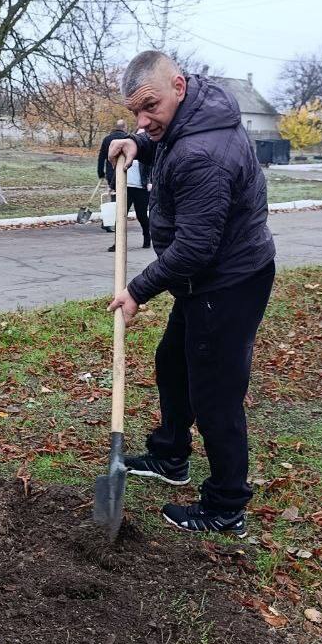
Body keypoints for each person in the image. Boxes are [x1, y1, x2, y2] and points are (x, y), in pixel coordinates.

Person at [106, 51, 276, 536]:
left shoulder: (203, 155)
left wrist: (138, 290)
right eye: (136, 111)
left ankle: (226, 505)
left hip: (226, 283)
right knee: (173, 363)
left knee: (215, 395)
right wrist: (142, 143)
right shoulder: (196, 112)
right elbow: (167, 135)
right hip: (208, 279)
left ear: (178, 87)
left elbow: (196, 248)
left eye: (150, 108)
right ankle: (170, 456)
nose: (143, 120)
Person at [109, 157, 151, 252]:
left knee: (142, 216)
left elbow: (151, 168)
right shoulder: (123, 155)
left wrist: (150, 182)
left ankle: (147, 237)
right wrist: (112, 186)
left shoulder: (143, 152)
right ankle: (118, 243)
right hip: (125, 189)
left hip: (141, 189)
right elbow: (117, 170)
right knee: (120, 216)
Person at [97, 120, 132, 232]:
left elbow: (101, 157)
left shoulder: (107, 139)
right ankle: (110, 222)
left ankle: (108, 221)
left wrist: (100, 172)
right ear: (124, 127)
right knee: (121, 197)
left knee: (114, 196)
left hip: (110, 171)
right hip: (124, 170)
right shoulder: (127, 138)